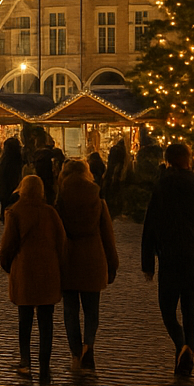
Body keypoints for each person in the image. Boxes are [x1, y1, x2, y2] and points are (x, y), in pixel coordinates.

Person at [141, 141, 194, 377]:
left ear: (168, 160)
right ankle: (187, 354)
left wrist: (148, 262)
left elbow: (151, 223)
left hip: (170, 253)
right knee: (190, 308)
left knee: (167, 307)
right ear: (188, 159)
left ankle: (180, 344)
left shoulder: (163, 186)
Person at [0, 174, 67, 381]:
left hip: (25, 270)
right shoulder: (50, 213)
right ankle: (45, 367)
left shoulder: (15, 213)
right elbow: (61, 242)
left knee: (24, 320)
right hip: (47, 271)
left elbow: (7, 245)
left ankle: (25, 361)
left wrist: (8, 265)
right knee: (46, 322)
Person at [55, 158, 118, 373]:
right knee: (92, 310)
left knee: (70, 311)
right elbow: (108, 235)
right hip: (93, 259)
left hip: (68, 259)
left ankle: (75, 353)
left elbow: (55, 233)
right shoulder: (97, 199)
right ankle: (88, 345)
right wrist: (113, 263)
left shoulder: (60, 199)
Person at [0, 137, 25, 216]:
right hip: (16, 193)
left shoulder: (4, 162)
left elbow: (0, 178)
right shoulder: (20, 161)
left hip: (7, 194)